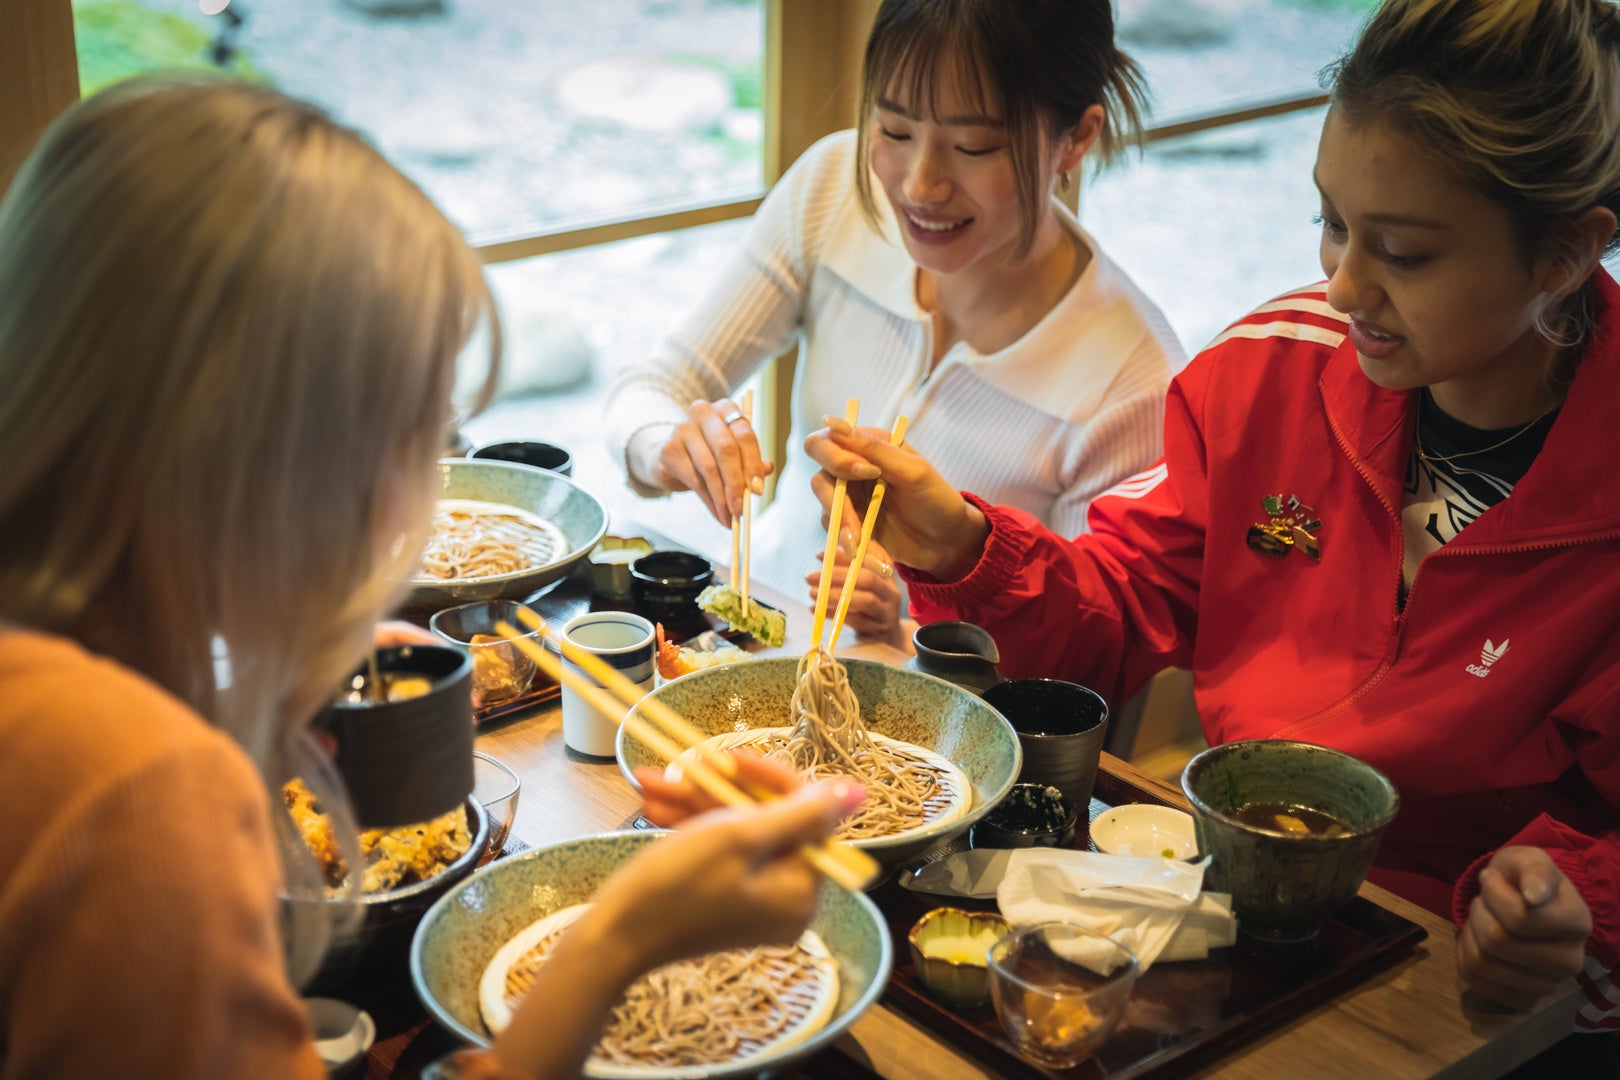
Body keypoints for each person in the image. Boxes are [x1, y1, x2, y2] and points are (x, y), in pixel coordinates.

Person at [0, 76, 860, 1080]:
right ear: (240, 450)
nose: (417, 499)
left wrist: (247, 710)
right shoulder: (130, 788)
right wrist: (620, 937)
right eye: (412, 440)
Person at [807, 0, 1620, 1052]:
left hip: (1466, 965)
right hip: (1225, 907)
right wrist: (963, 545)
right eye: (1332, 224)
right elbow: (1118, 615)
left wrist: (1574, 899)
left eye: (1405, 254)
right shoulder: (1273, 370)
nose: (1344, 285)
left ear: (1565, 254)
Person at [603, 0, 1183, 647]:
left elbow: (1081, 657)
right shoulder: (834, 189)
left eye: (973, 146)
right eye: (896, 130)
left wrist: (905, 634)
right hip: (749, 636)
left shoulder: (1132, 382)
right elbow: (652, 388)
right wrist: (665, 447)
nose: (921, 186)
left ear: (1075, 138)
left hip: (913, 706)